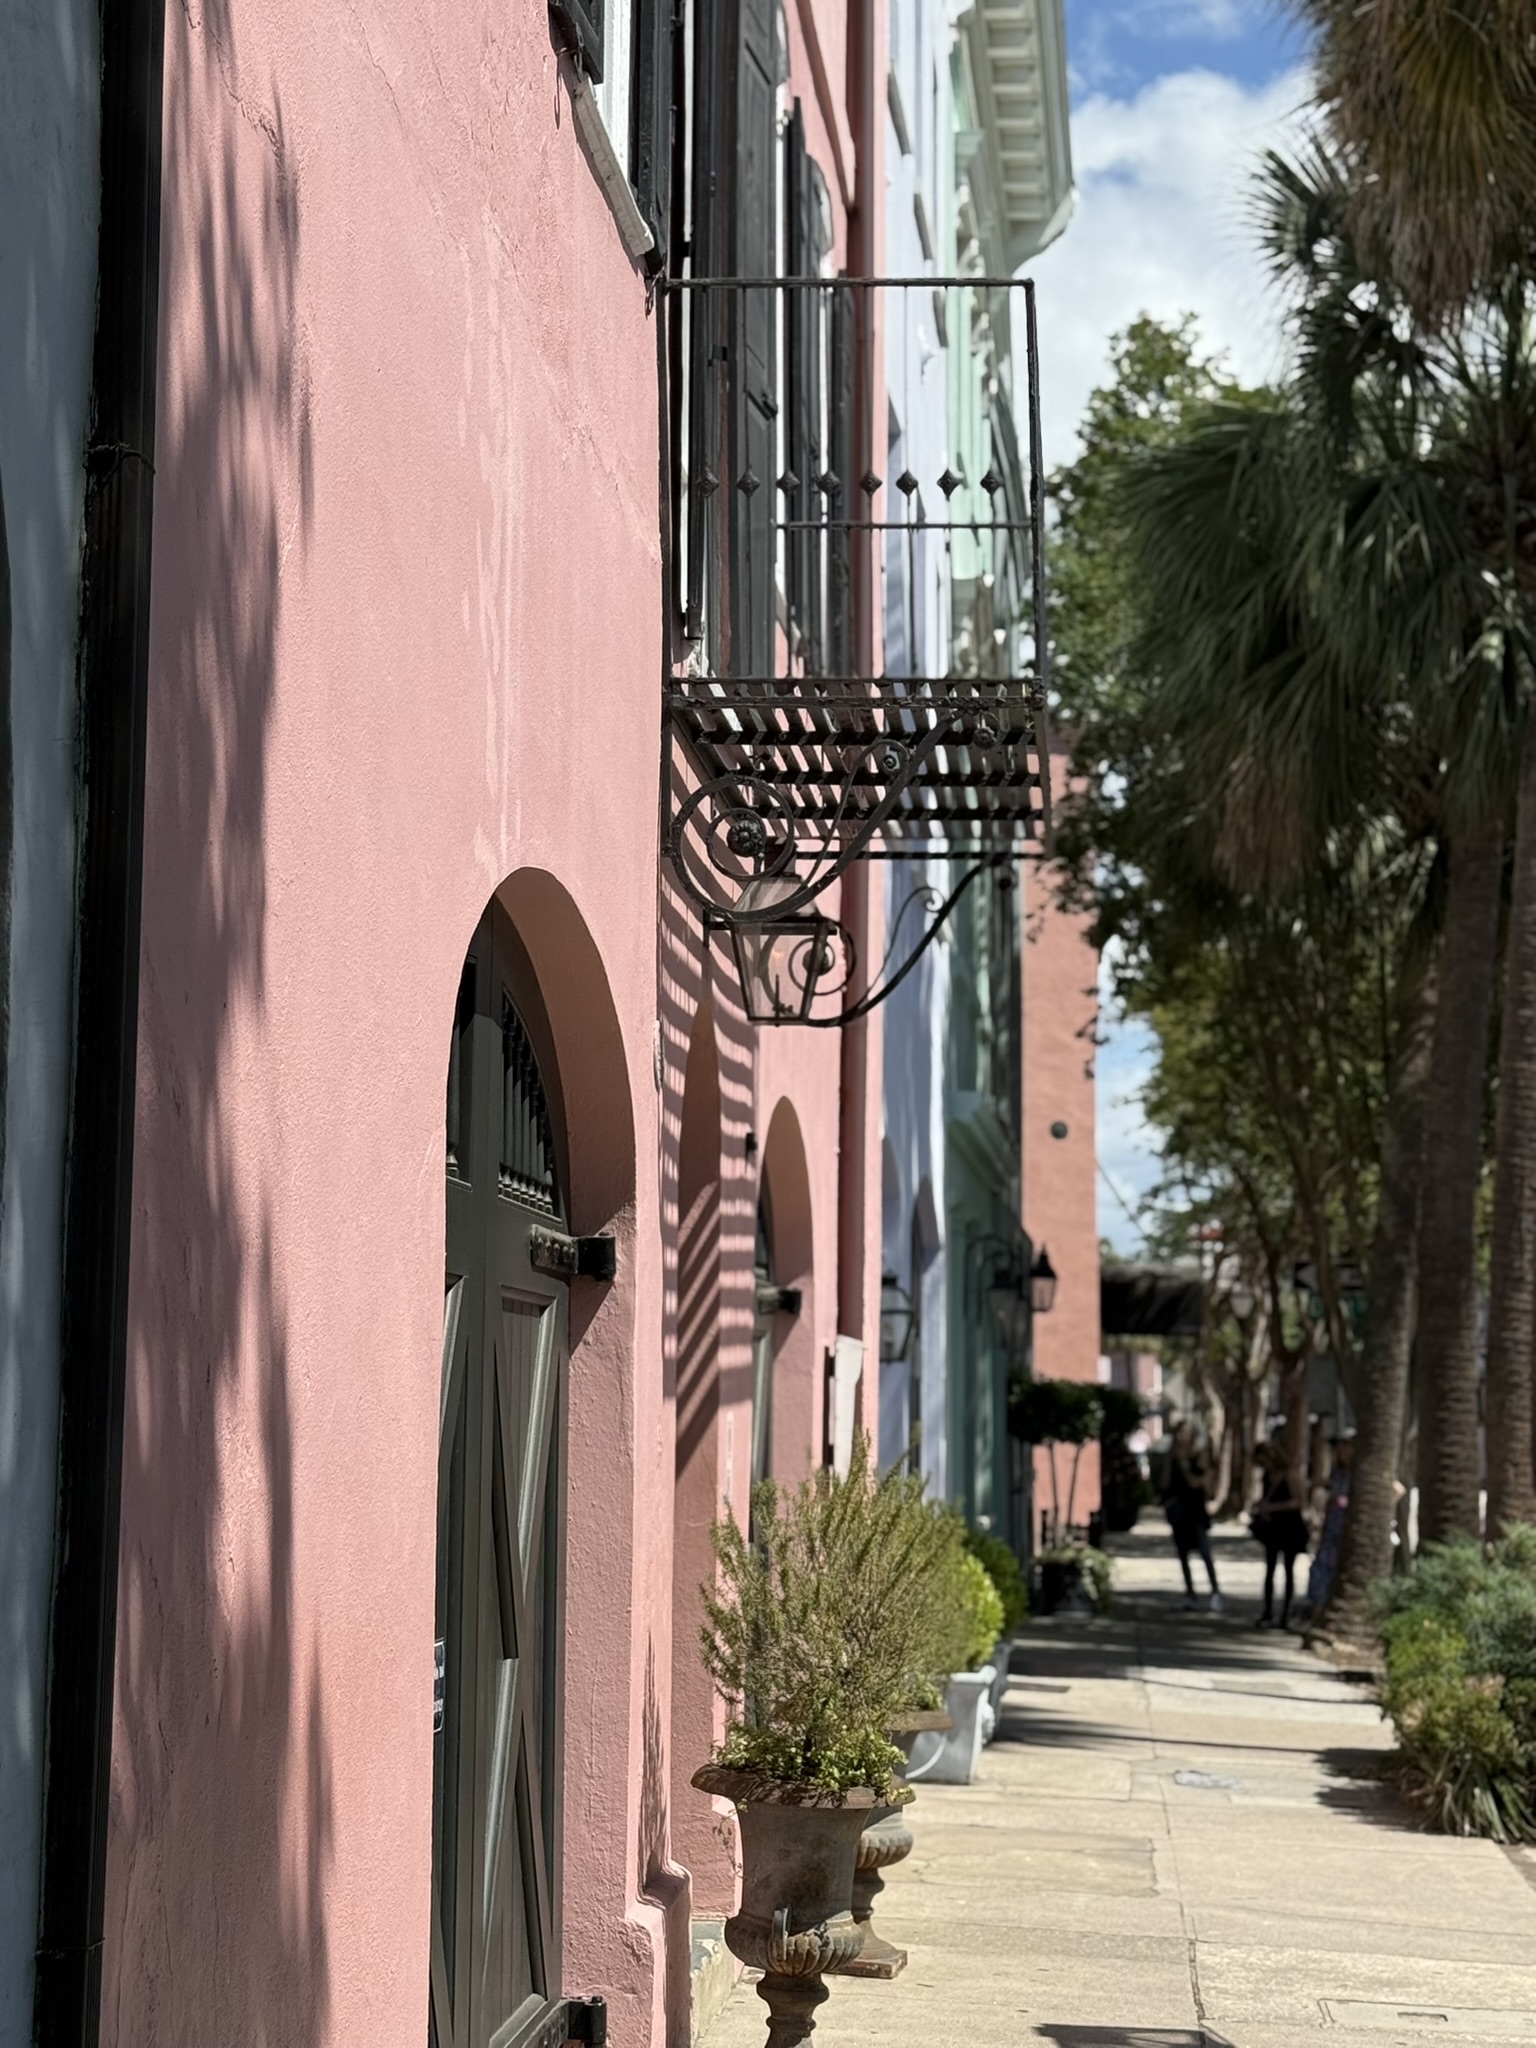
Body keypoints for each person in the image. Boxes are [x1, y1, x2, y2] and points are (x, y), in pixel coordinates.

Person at [1250, 1441, 1310, 1630]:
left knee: (1288, 1571)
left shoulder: (1289, 1474)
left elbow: (1297, 1501)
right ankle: (1268, 1611)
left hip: (1289, 1527)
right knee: (1269, 1570)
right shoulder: (1267, 1476)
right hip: (1272, 1528)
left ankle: (1285, 1614)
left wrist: (1273, 1508)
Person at [1164, 1421, 1223, 1612]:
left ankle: (1215, 1592)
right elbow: (1164, 1482)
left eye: (1186, 1433)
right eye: (1179, 1433)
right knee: (1182, 1554)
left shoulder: (1198, 1456)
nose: (1182, 1437)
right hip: (1178, 1511)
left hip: (1195, 1511)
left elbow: (1199, 1483)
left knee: (1205, 1553)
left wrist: (1184, 1464)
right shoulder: (1172, 1456)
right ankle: (1190, 1592)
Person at [1305, 1432, 1354, 1614]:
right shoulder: (1337, 1475)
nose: (1341, 1451)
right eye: (1339, 1447)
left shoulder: (1363, 1476)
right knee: (1321, 1571)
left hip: (1350, 1533)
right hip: (1332, 1532)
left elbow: (1397, 1490)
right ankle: (1318, 1611)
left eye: (1346, 1446)